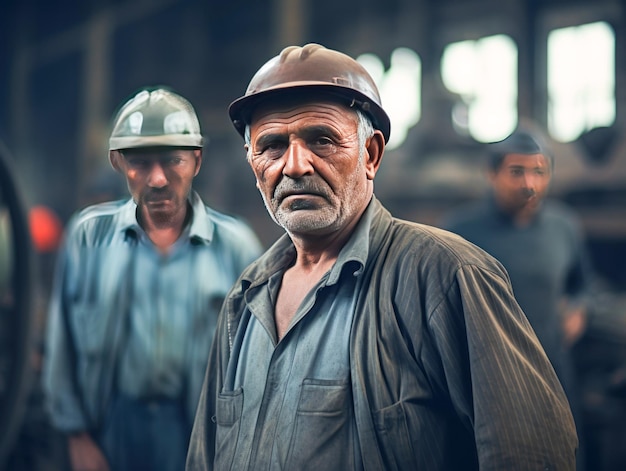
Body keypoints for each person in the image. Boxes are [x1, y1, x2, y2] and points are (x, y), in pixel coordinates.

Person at [186, 43, 578, 470]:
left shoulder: (443, 276)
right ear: (252, 161)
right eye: (273, 146)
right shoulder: (245, 298)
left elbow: (531, 454)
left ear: (371, 154)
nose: (295, 165)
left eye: (322, 139)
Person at [43, 86, 263, 471]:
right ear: (117, 163)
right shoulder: (88, 237)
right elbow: (62, 341)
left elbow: (258, 361)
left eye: (172, 161)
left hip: (199, 429)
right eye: (140, 163)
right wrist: (76, 437)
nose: (157, 178)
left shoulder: (236, 247)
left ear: (196, 161)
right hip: (111, 426)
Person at [440, 128, 592, 470]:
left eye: (539, 172)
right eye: (516, 172)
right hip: (486, 376)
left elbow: (582, 284)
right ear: (491, 174)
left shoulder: (563, 226)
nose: (530, 184)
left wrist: (580, 309)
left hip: (554, 366)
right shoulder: (461, 231)